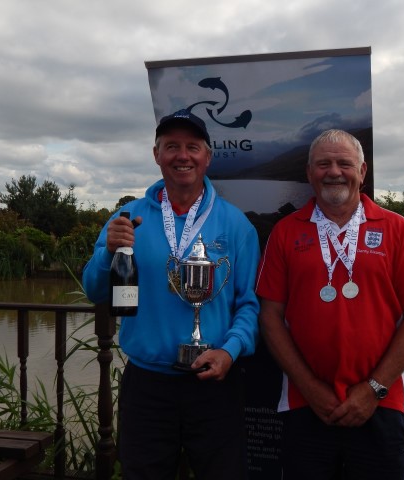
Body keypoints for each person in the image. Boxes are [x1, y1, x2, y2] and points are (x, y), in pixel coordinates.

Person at [256, 129, 404, 479]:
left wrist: (372, 391)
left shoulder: (396, 228)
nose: (334, 171)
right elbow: (270, 318)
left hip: (382, 404)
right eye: (323, 163)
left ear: (362, 171)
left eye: (344, 163)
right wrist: (311, 390)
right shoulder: (285, 232)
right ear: (309, 172)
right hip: (304, 403)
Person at [82, 109, 260, 480]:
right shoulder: (127, 218)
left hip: (215, 383)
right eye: (172, 146)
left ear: (207, 157)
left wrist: (230, 351)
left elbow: (249, 304)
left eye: (193, 147)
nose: (183, 155)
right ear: (156, 154)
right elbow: (94, 290)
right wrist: (107, 254)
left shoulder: (236, 224)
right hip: (147, 387)